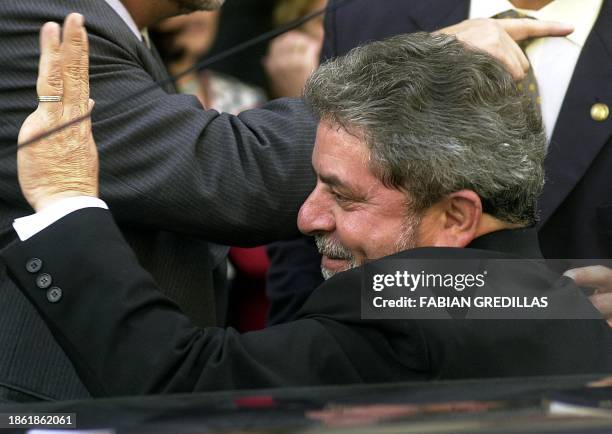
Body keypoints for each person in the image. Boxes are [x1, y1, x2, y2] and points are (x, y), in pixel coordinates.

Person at [6, 15, 612, 397]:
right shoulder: (562, 302)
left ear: (456, 215)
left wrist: (64, 203)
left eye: (343, 194)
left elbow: (183, 379)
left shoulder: (409, 303)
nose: (306, 217)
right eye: (316, 184)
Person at [0, 0, 316, 401]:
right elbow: (231, 174)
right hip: (59, 405)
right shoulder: (40, 18)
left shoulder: (117, 30)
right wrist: (401, 96)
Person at [267, 0, 612, 323]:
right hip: (381, 364)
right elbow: (316, 207)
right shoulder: (371, 15)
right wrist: (302, 368)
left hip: (591, 373)